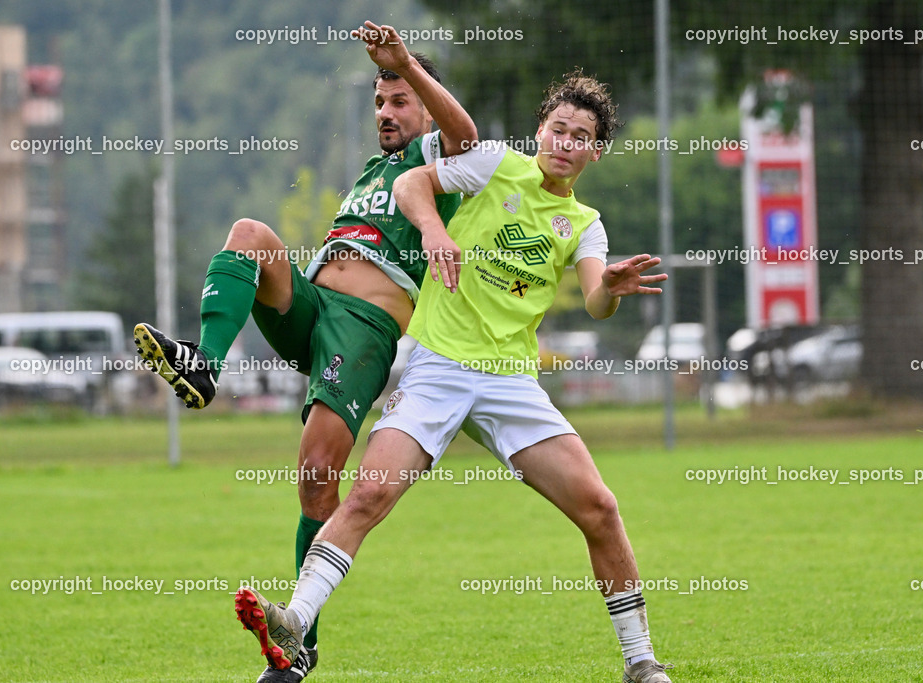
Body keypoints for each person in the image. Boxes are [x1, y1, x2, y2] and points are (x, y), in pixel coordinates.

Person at [234, 70, 675, 682]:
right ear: (540, 130)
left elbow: (597, 298)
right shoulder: (495, 165)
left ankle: (640, 661)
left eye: (581, 136)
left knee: (600, 508)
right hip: (438, 365)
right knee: (369, 494)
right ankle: (296, 622)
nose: (565, 143)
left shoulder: (585, 223)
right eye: (558, 129)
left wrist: (613, 290)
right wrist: (437, 232)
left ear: (595, 151)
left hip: (510, 384)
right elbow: (414, 182)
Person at [134, 21, 477, 683]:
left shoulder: (440, 160)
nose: (385, 111)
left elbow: (464, 133)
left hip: (364, 328)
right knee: (251, 233)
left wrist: (408, 63)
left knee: (316, 474)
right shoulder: (373, 169)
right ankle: (204, 363)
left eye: (399, 99)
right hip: (314, 311)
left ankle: (298, 646)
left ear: (424, 101)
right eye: (379, 101)